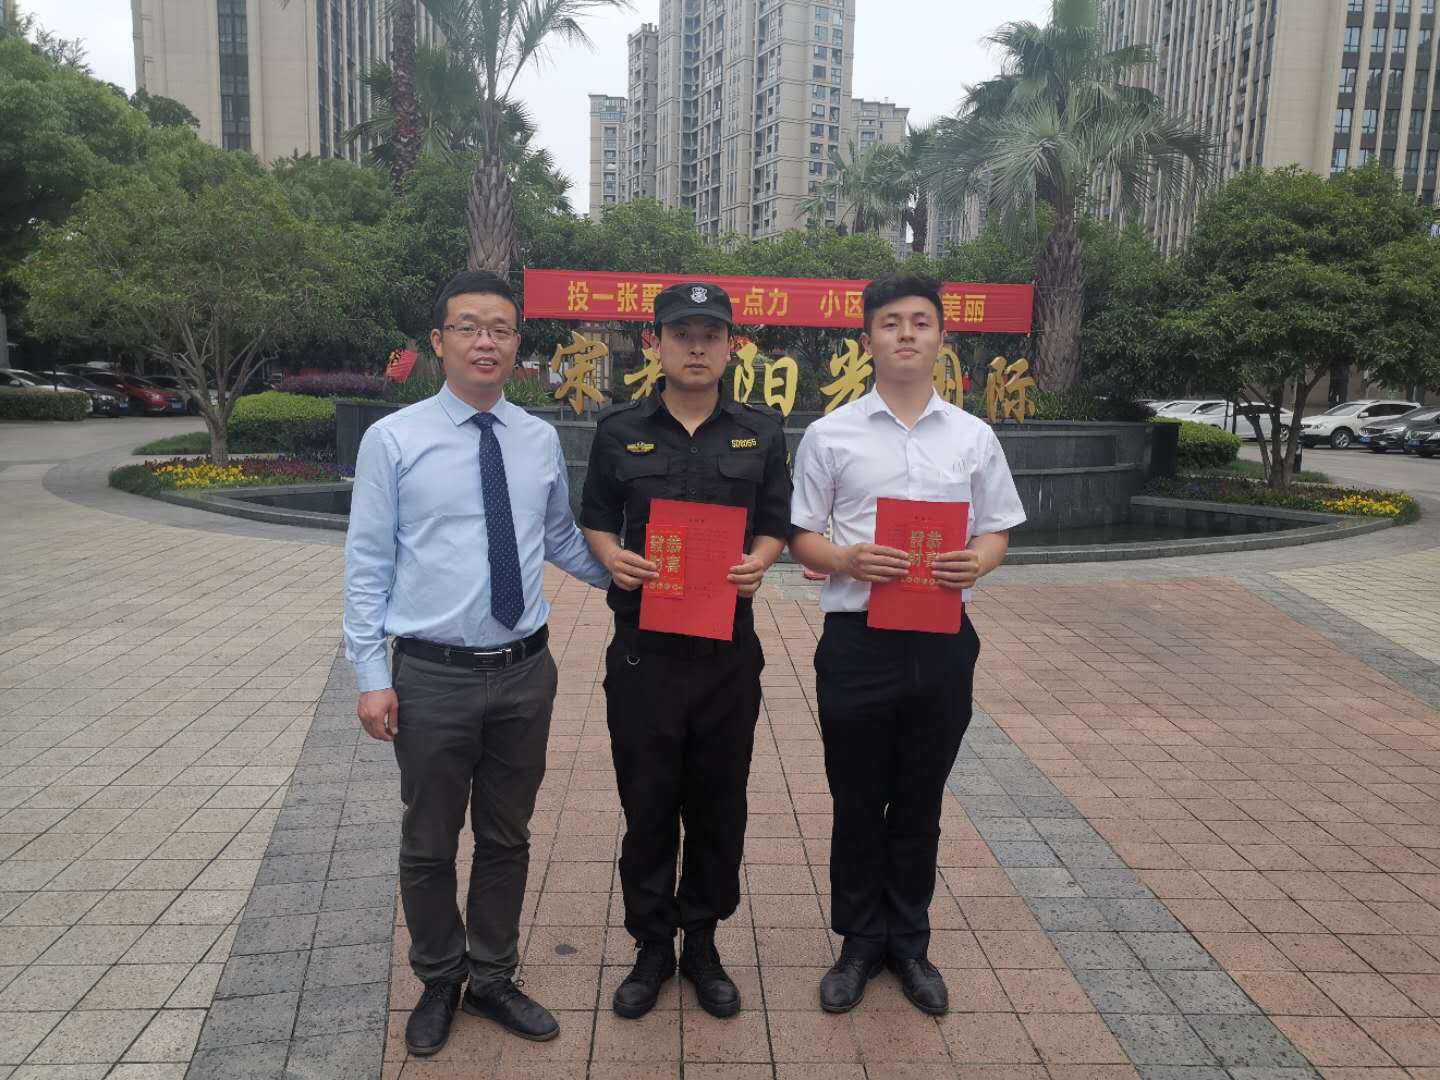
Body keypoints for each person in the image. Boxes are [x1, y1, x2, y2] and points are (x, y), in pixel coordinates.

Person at [344, 270, 611, 1056]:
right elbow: (367, 562)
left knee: (506, 835)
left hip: (525, 672)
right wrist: (373, 676)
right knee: (429, 840)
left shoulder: (536, 438)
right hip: (432, 674)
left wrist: (632, 576)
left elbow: (558, 538)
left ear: (518, 343)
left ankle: (492, 975)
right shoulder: (394, 439)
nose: (485, 341)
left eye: (500, 328)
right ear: (440, 341)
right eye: (468, 326)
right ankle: (439, 978)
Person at [789, 272, 1026, 1016]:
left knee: (921, 797)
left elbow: (998, 528)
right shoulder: (830, 434)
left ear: (941, 338)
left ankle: (910, 943)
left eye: (921, 322)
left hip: (942, 641)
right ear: (867, 340)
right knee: (858, 798)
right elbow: (801, 535)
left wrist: (979, 562)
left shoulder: (973, 436)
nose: (906, 335)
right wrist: (846, 558)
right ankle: (860, 942)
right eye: (891, 323)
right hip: (857, 640)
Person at [579, 281, 792, 1020]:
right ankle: (650, 946)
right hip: (645, 654)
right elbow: (596, 516)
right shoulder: (619, 431)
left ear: (733, 346)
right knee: (647, 804)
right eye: (681, 334)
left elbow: (776, 521)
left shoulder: (761, 432)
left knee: (717, 803)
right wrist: (612, 557)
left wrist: (759, 561)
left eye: (711, 335)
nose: (696, 348)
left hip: (727, 656)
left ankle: (701, 942)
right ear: (656, 344)